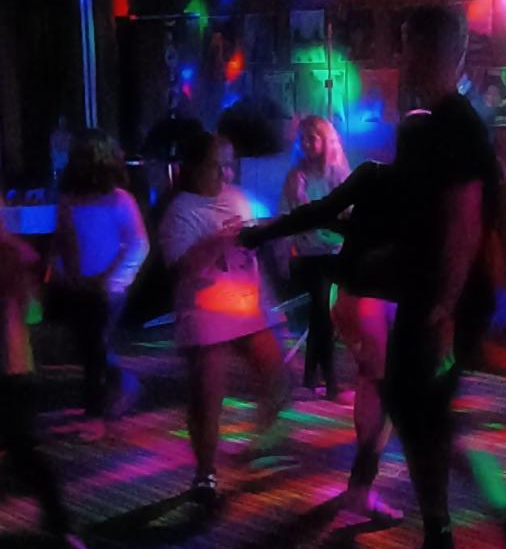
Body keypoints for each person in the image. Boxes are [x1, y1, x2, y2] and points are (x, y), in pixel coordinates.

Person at [378, 5, 506, 549]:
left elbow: (464, 223)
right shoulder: (448, 122)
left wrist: (443, 310)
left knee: (427, 419)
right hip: (435, 296)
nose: (401, 56)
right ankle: (453, 548)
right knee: (423, 418)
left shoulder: (454, 125)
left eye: (406, 42)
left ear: (428, 49)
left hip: (442, 301)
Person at [242, 160, 402, 523]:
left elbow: (322, 212)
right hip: (379, 302)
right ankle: (360, 489)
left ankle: (360, 489)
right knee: (386, 393)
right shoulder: (431, 186)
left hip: (346, 296)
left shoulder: (374, 174)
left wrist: (265, 231)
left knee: (372, 385)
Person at [158, 131, 288, 508]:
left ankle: (257, 443)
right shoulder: (180, 210)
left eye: (230, 166)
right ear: (195, 167)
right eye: (217, 166)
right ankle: (205, 472)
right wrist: (221, 238)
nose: (225, 174)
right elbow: (183, 267)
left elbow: (256, 241)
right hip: (206, 312)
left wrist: (272, 235)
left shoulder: (238, 197)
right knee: (207, 396)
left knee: (278, 376)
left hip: (248, 306)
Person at [0, 219, 93, 549]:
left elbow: (32, 312)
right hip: (14, 366)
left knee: (23, 452)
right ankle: (60, 526)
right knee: (23, 452)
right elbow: (33, 313)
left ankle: (60, 527)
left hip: (10, 367)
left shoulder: (11, 253)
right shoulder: (15, 252)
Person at [50, 130, 149, 440]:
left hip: (107, 289)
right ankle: (124, 384)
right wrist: (62, 272)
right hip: (76, 286)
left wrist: (111, 280)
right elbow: (62, 241)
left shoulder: (120, 200)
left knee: (93, 346)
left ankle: (95, 416)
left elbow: (138, 244)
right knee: (87, 346)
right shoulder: (68, 200)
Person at [279, 115, 350, 399]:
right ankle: (329, 381)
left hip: (334, 252)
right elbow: (285, 217)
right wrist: (284, 253)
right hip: (308, 255)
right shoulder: (295, 177)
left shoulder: (339, 175)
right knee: (321, 313)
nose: (306, 144)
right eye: (303, 139)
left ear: (325, 140)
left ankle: (312, 377)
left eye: (312, 138)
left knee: (320, 314)